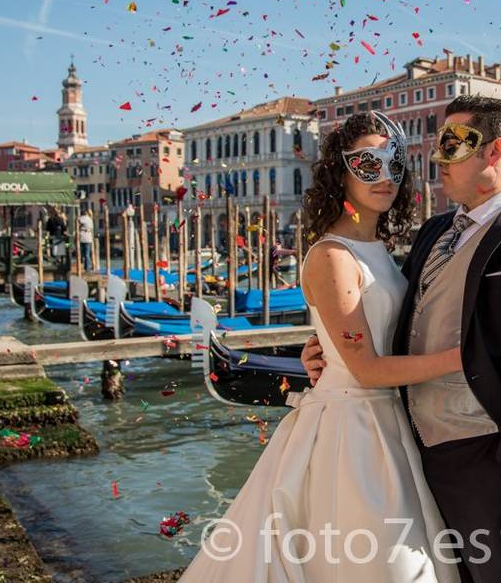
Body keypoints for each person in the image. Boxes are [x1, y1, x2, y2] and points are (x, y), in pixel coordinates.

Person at [302, 95, 501, 583]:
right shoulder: (433, 233)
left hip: (489, 455)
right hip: (412, 448)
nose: (437, 159)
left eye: (453, 145)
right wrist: (324, 353)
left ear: (494, 152)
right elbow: (390, 316)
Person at [179, 112, 460, 582]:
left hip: (387, 422)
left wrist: (320, 347)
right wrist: (462, 359)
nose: (385, 176)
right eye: (368, 164)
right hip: (353, 431)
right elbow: (366, 369)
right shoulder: (332, 255)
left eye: (394, 164)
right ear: (340, 171)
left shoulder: (377, 251)